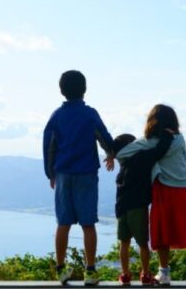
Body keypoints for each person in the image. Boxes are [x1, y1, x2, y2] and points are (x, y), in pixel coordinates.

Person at [43, 70, 115, 286]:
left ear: (61, 90)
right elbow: (104, 136)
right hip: (86, 174)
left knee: (63, 223)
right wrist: (110, 152)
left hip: (64, 175)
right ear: (84, 89)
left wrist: (51, 173)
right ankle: (90, 271)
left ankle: (60, 269)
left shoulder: (56, 116)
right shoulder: (89, 114)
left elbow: (49, 147)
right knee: (88, 224)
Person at [142, 104, 186, 286]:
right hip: (183, 187)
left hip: (162, 189)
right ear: (173, 121)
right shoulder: (180, 139)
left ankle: (163, 273)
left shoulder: (150, 142)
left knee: (163, 229)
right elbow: (184, 160)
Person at [112, 130, 174, 286]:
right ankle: (146, 274)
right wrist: (166, 133)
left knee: (124, 243)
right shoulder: (140, 158)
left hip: (121, 208)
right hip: (137, 207)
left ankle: (125, 275)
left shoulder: (123, 164)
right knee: (142, 243)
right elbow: (159, 150)